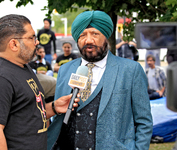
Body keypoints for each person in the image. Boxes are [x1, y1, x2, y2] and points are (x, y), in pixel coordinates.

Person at [48, 10, 153, 150]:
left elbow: (144, 122)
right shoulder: (65, 69)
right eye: (82, 35)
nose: (89, 40)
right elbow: (59, 119)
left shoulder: (130, 70)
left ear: (106, 36)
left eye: (95, 34)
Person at [0, 14, 80, 150]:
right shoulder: (3, 77)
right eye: (32, 37)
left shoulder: (24, 67)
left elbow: (28, 113)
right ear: (14, 44)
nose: (37, 42)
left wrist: (54, 107)